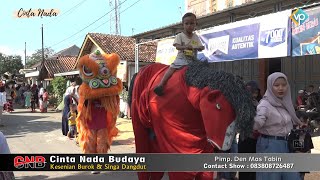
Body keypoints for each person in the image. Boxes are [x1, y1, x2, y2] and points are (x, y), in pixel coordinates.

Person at [254, 72, 304, 180]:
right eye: (276, 85)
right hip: (270, 145)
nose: (281, 88)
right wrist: (249, 120)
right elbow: (258, 122)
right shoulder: (265, 104)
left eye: (283, 85)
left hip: (286, 144)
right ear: (270, 86)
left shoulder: (285, 103)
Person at [154, 12, 204, 96]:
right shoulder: (180, 36)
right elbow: (177, 46)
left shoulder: (196, 37)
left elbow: (201, 47)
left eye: (192, 23)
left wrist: (199, 48)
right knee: (172, 68)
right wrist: (185, 47)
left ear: (195, 24)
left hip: (193, 60)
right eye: (187, 23)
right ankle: (161, 85)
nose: (189, 26)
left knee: (203, 69)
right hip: (182, 59)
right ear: (183, 25)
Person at [238, 81, 261, 180]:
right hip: (245, 137)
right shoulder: (241, 103)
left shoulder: (259, 103)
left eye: (255, 92)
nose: (254, 94)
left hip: (256, 138)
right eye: (252, 92)